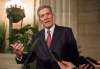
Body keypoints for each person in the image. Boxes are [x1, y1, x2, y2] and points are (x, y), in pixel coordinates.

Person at [10, 5, 94, 69]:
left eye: (48, 14)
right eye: (42, 16)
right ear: (40, 20)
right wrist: (19, 55)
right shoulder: (36, 36)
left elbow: (74, 56)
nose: (46, 17)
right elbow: (30, 58)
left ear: (52, 15)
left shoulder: (66, 32)